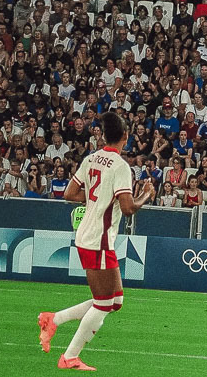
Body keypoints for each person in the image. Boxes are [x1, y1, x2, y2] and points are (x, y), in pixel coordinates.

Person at [39, 111, 150, 370]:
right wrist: (145, 194)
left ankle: (53, 319)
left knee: (115, 302)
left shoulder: (91, 158)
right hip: (97, 239)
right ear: (125, 136)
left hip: (92, 236)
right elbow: (128, 208)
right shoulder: (121, 166)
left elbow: (69, 193)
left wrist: (96, 200)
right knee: (103, 304)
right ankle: (69, 357)